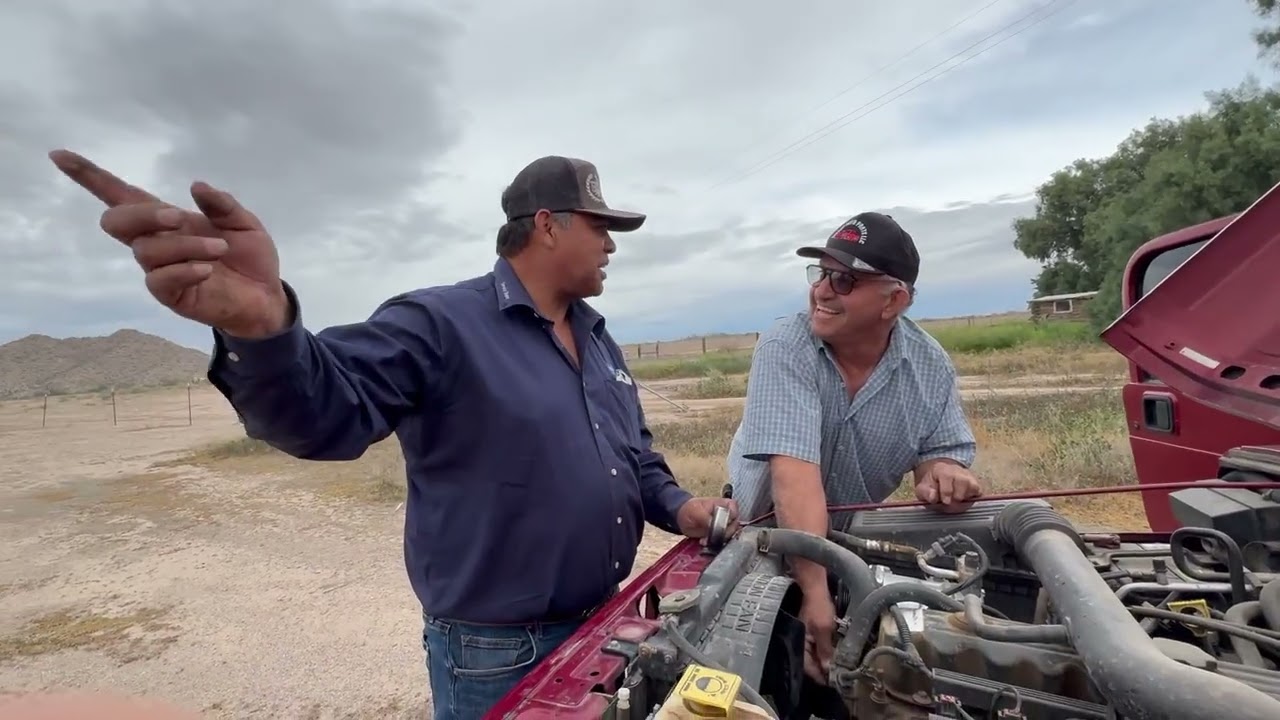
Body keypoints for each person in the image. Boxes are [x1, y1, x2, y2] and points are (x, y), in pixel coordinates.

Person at [48, 150, 740, 720]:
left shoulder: (598, 338)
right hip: (499, 650)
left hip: (608, 622)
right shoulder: (439, 323)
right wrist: (261, 329)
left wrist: (678, 505)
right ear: (549, 226)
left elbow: (632, 458)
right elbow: (326, 417)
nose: (612, 244)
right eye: (601, 225)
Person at [726, 211, 982, 685]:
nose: (821, 290)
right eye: (820, 273)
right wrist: (815, 594)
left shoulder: (929, 366)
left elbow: (940, 451)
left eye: (843, 280)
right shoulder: (786, 346)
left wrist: (943, 472)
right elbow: (794, 476)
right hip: (757, 542)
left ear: (895, 300)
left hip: (848, 551)